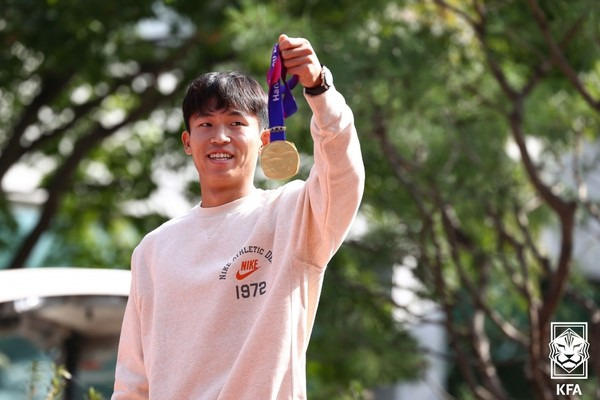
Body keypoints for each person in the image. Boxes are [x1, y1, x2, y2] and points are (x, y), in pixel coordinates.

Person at [112, 34, 364, 399]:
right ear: (187, 142)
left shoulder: (292, 216)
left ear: (263, 140)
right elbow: (133, 381)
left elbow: (343, 175)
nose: (220, 137)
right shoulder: (153, 249)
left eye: (235, 123)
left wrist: (319, 89)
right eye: (206, 125)